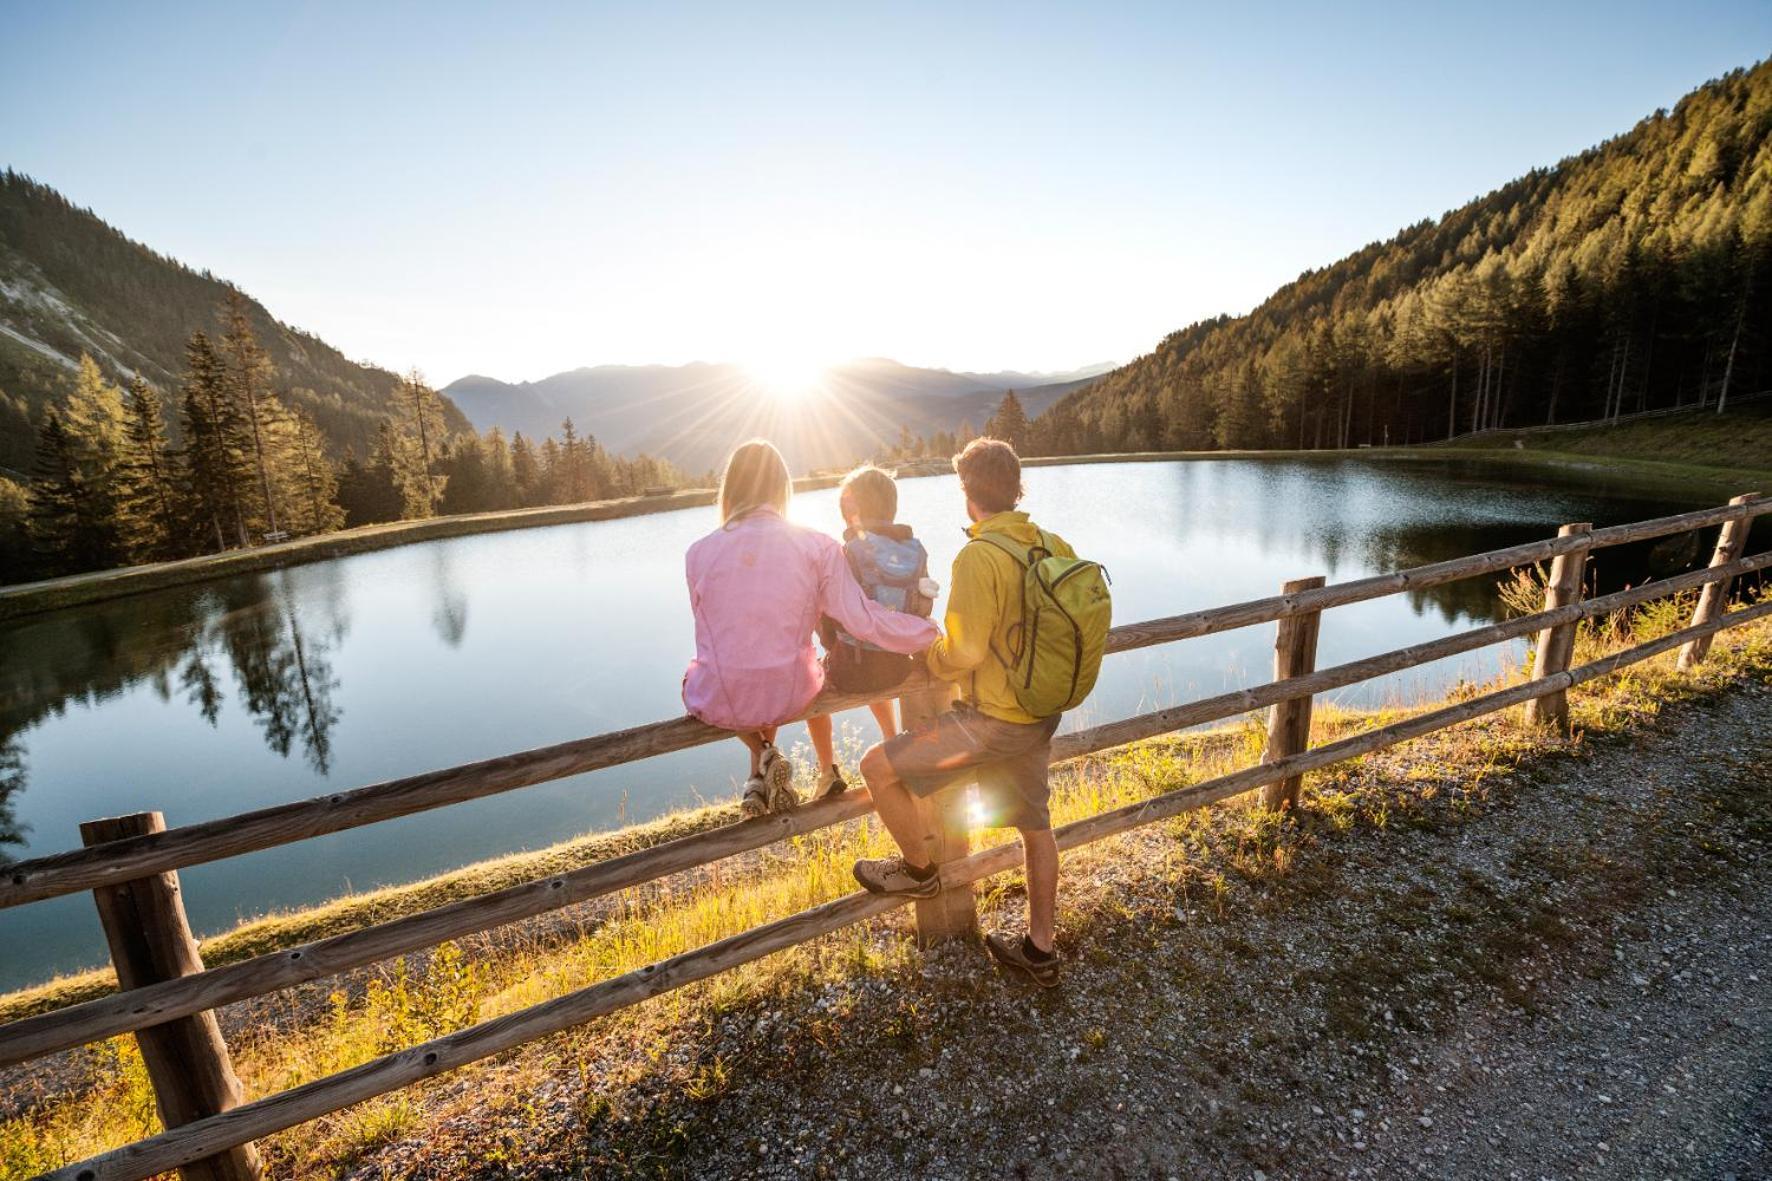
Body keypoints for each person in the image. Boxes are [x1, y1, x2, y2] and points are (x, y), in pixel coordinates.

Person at [852, 437, 1072, 987]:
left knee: (877, 768)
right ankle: (1040, 950)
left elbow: (964, 651)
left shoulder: (978, 554)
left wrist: (931, 655)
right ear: (1017, 487)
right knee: (1036, 826)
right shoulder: (1051, 542)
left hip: (987, 725)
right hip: (1039, 712)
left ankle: (920, 872)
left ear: (967, 493)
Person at [683, 440, 940, 818]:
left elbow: (708, 634)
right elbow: (861, 619)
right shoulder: (817, 546)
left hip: (722, 696)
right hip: (794, 691)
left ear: (731, 488)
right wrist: (924, 630)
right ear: (781, 487)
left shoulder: (698, 552)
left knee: (702, 676)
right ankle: (768, 762)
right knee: (790, 666)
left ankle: (762, 756)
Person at [805, 464, 937, 800]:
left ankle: (827, 770)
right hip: (899, 665)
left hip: (853, 671)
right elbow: (922, 608)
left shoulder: (846, 551)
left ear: (851, 512)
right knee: (872, 646)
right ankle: (892, 737)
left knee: (812, 674)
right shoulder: (915, 550)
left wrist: (830, 643)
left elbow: (830, 615)